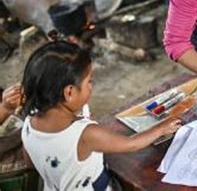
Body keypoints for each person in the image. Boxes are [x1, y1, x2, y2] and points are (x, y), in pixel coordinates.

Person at [21, 41, 181, 190]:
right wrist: (161, 128)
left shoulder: (28, 123)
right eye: (89, 81)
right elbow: (130, 144)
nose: (91, 86)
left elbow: (30, 163)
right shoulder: (84, 133)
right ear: (69, 92)